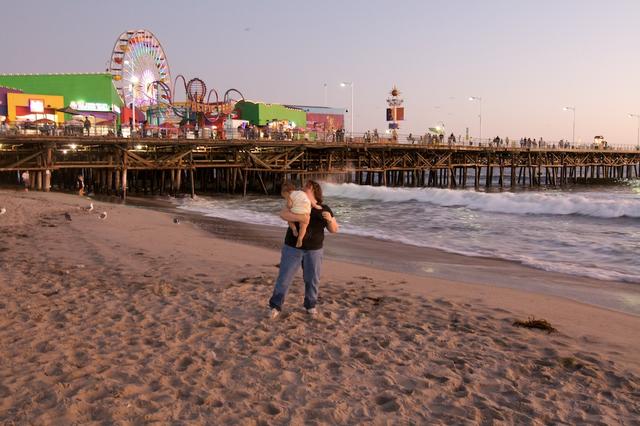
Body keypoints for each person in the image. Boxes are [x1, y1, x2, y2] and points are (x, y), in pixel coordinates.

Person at [269, 180, 339, 319]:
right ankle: (275, 306)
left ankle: (310, 305)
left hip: (314, 250)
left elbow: (334, 230)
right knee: (284, 278)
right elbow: (283, 214)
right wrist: (301, 217)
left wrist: (330, 219)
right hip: (292, 247)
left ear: (314, 190)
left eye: (307, 187)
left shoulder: (324, 208)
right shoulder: (297, 203)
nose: (302, 188)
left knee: (312, 279)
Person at [280, 181, 311, 248]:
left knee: (289, 219)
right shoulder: (302, 193)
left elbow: (290, 205)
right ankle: (300, 238)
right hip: (306, 211)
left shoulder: (290, 195)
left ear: (285, 192)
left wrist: (288, 201)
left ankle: (294, 229)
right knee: (304, 226)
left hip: (296, 210)